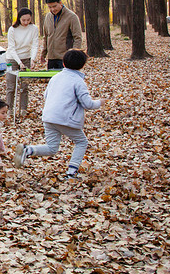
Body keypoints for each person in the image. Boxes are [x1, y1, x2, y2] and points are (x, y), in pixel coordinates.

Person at [13, 49, 107, 179]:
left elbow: (46, 95)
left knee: (52, 148)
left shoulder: (55, 78)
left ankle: (28, 150)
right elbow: (88, 104)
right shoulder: (79, 81)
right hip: (66, 119)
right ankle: (71, 172)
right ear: (82, 65)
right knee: (81, 142)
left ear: (63, 63)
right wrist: (99, 102)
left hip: (49, 116)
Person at [5, 7, 39, 117]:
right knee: (11, 86)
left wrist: (32, 59)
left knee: (24, 86)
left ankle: (23, 109)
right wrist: (19, 62)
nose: (26, 22)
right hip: (12, 58)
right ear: (19, 18)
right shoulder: (12, 29)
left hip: (26, 57)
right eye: (23, 20)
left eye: (28, 20)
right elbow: (11, 48)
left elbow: (34, 45)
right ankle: (9, 109)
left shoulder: (33, 28)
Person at [38, 0, 82, 70]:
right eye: (50, 7)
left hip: (65, 58)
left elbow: (77, 38)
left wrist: (74, 56)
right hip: (51, 58)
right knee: (53, 80)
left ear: (60, 3)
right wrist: (43, 54)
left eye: (54, 6)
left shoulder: (72, 17)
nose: (53, 9)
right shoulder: (48, 17)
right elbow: (46, 36)